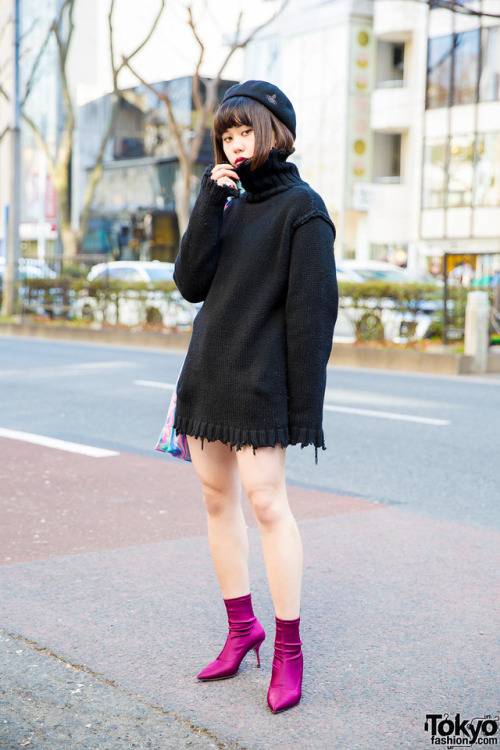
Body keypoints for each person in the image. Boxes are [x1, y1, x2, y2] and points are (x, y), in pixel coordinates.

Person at [172, 80, 338, 714]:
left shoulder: (305, 210)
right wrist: (208, 201)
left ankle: (290, 648)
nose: (236, 144)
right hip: (209, 373)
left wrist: (304, 411)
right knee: (217, 501)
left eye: (246, 131)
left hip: (261, 384)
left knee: (268, 504)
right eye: (228, 135)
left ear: (275, 133)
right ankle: (243, 629)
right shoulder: (229, 202)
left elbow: (312, 317)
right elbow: (191, 283)